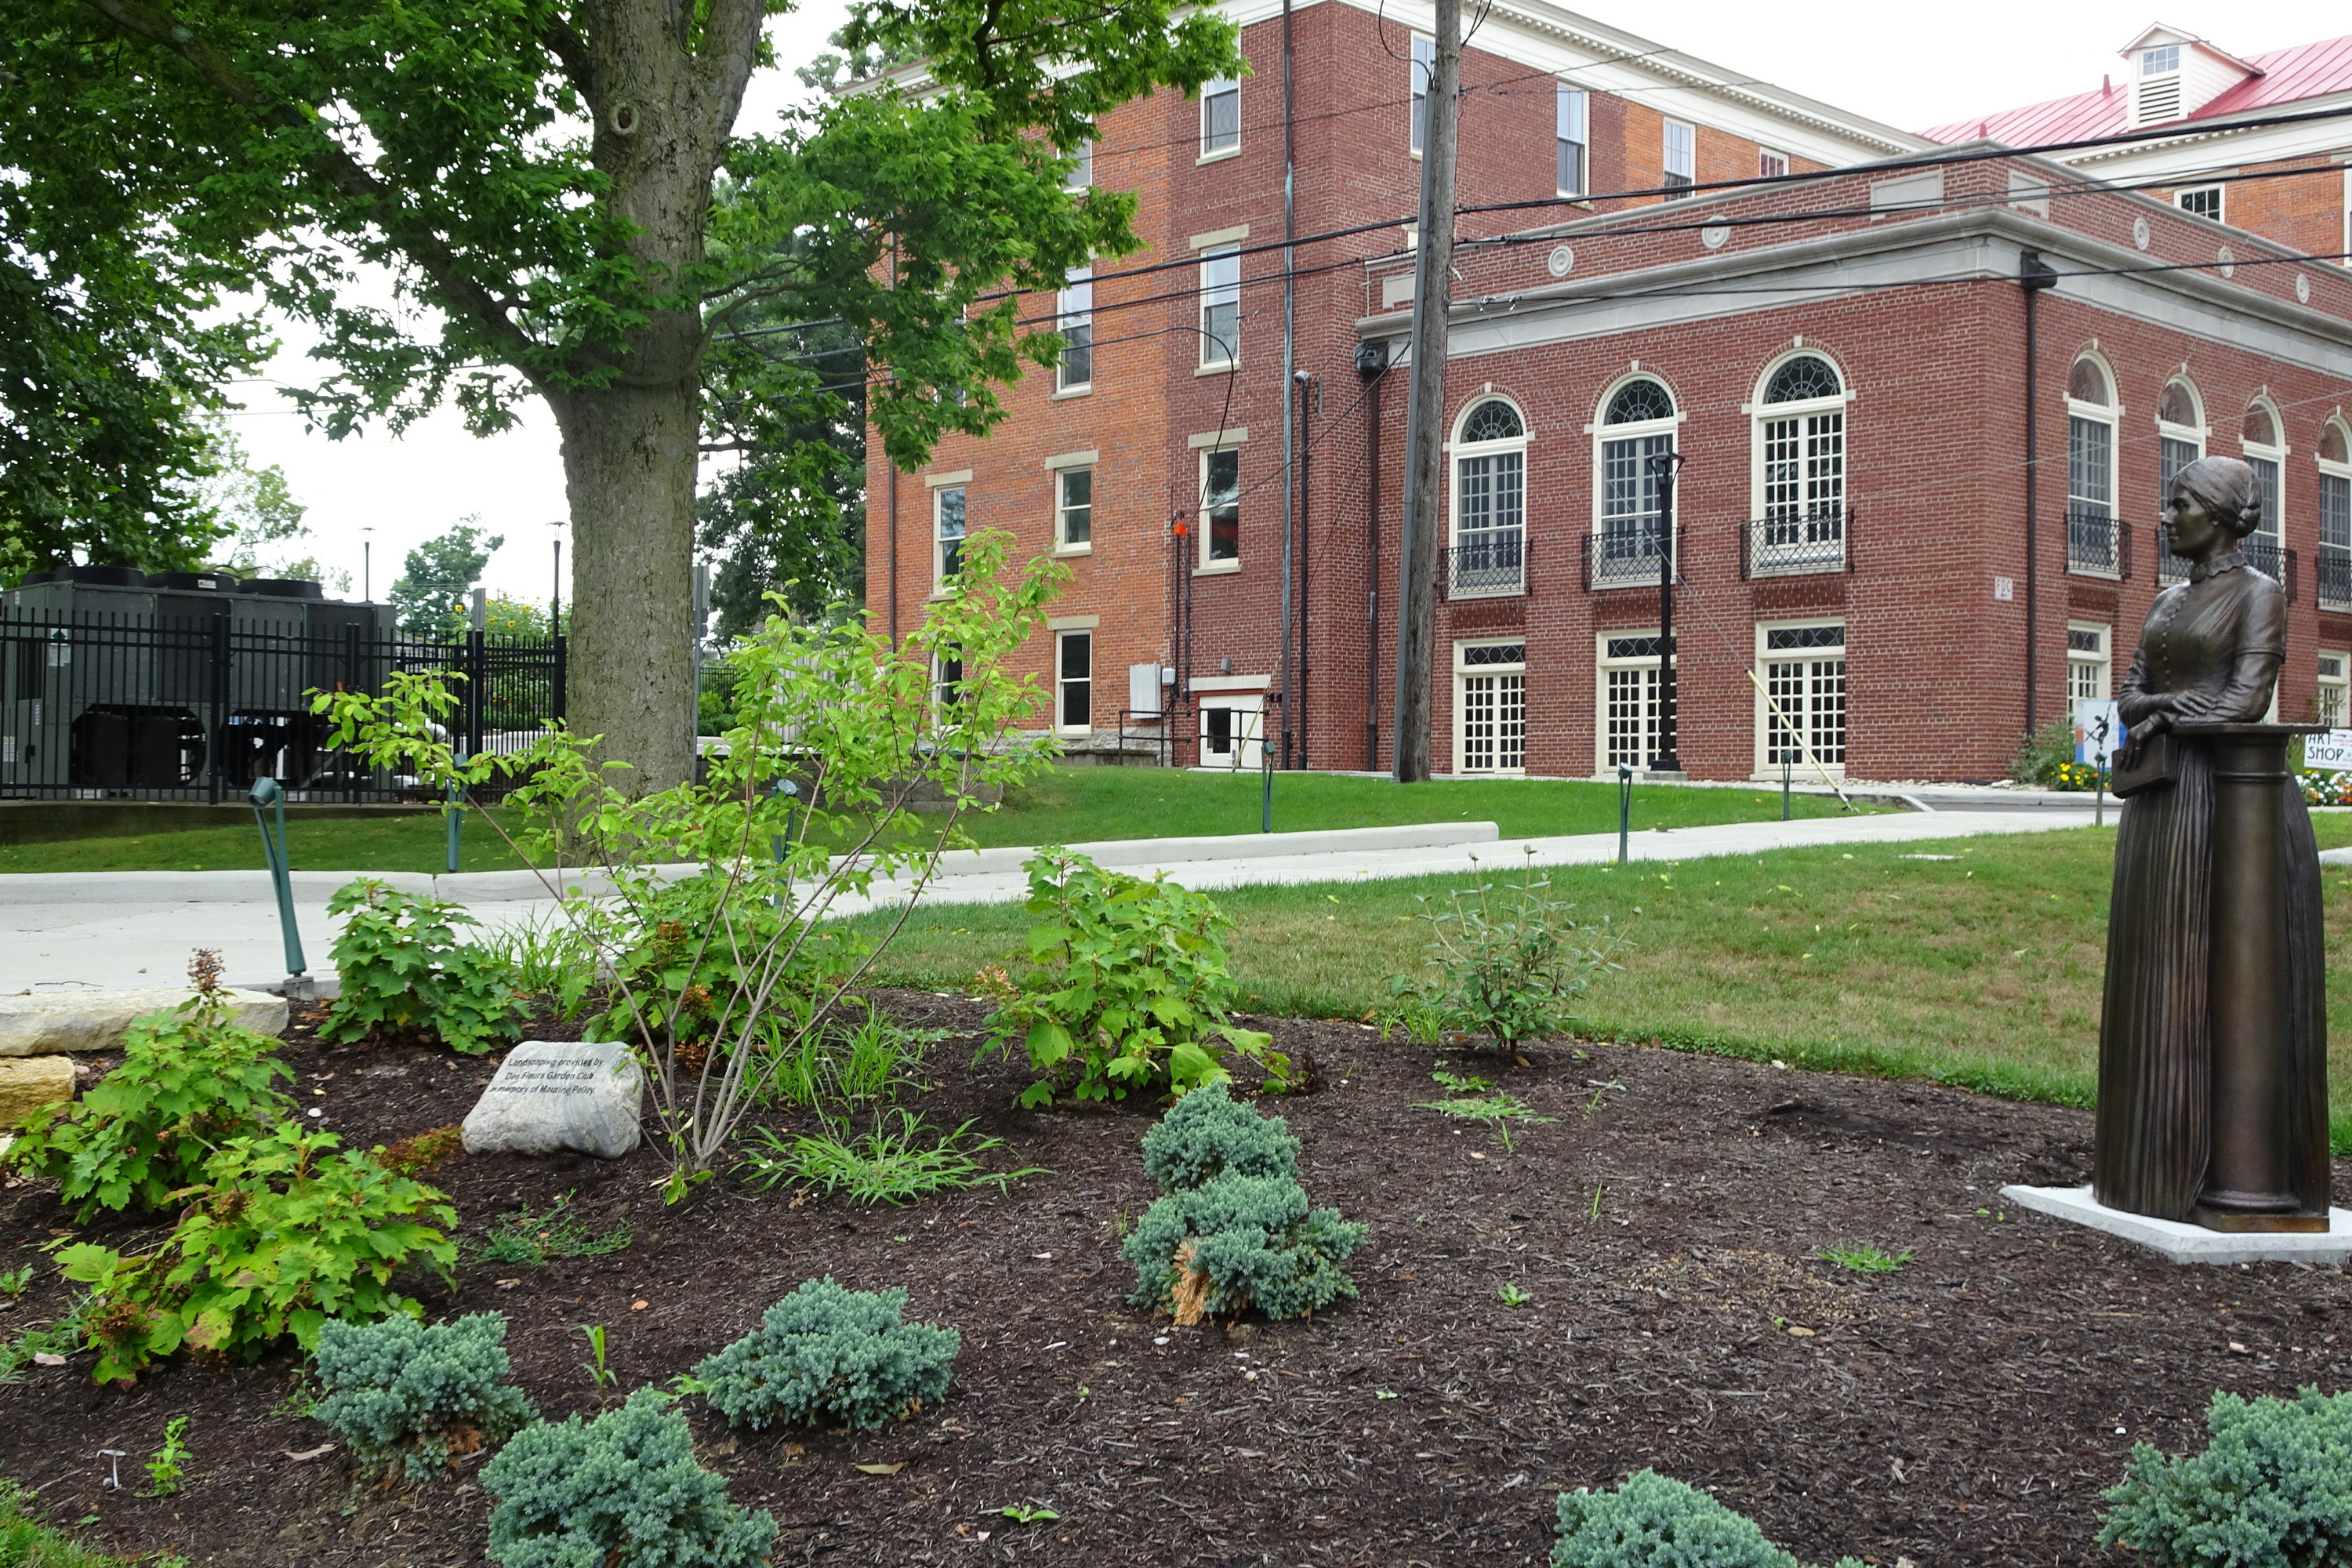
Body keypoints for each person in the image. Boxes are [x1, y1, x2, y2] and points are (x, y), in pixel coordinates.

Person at [2093, 456, 2328, 1221]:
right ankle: (2142, 1169)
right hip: (2159, 802)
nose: (2168, 517)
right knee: (2152, 963)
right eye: (2170, 503)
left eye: (2182, 504)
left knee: (2210, 965)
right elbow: (2129, 697)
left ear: (2224, 517)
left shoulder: (2262, 595)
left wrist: (2168, 709)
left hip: (2225, 803)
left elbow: (2246, 700)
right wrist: (2167, 704)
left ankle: (2206, 1166)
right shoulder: (2163, 601)